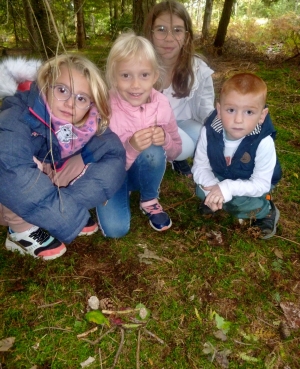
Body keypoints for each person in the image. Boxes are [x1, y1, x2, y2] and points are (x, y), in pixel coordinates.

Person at [0, 55, 126, 259]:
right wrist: (65, 217)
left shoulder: (87, 124)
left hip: (48, 180)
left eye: (81, 98)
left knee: (101, 151)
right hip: (8, 193)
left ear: (91, 105)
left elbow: (114, 155)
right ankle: (19, 230)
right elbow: (9, 167)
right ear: (46, 84)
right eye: (62, 90)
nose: (70, 103)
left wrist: (69, 205)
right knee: (13, 164)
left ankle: (62, 206)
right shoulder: (16, 116)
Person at [96, 32, 182, 237]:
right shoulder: (106, 109)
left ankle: (149, 199)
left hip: (140, 171)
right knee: (115, 230)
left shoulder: (161, 103)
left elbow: (176, 151)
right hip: (111, 176)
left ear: (154, 75)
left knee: (152, 150)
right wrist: (131, 148)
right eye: (126, 75)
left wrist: (166, 140)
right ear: (113, 77)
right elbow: (99, 163)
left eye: (144, 75)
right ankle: (118, 194)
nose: (136, 85)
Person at [192, 72, 282, 239]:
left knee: (237, 202)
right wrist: (213, 187)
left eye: (249, 112)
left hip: (252, 181)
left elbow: (260, 183)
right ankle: (217, 201)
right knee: (201, 189)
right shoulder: (209, 132)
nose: (238, 120)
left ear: (262, 116)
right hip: (223, 173)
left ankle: (266, 210)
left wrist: (226, 188)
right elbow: (200, 166)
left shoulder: (263, 142)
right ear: (219, 110)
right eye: (231, 110)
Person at [144, 0, 215, 177]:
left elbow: (207, 110)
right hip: (145, 129)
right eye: (161, 29)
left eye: (177, 30)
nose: (169, 38)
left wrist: (227, 130)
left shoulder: (198, 70)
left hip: (180, 126)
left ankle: (176, 157)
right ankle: (148, 159)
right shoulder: (138, 66)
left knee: (203, 136)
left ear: (187, 36)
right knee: (153, 152)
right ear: (150, 33)